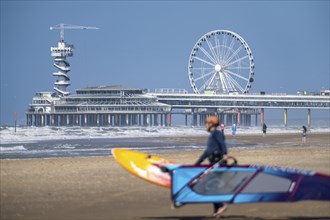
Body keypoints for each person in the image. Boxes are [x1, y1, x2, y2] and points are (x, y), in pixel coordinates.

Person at [195, 116, 228, 218]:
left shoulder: (217, 134)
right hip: (213, 163)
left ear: (211, 124)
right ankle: (217, 210)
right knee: (212, 186)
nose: (205, 125)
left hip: (218, 163)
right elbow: (207, 151)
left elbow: (222, 144)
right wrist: (198, 162)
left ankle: (221, 206)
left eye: (206, 123)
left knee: (211, 186)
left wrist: (225, 154)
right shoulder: (212, 135)